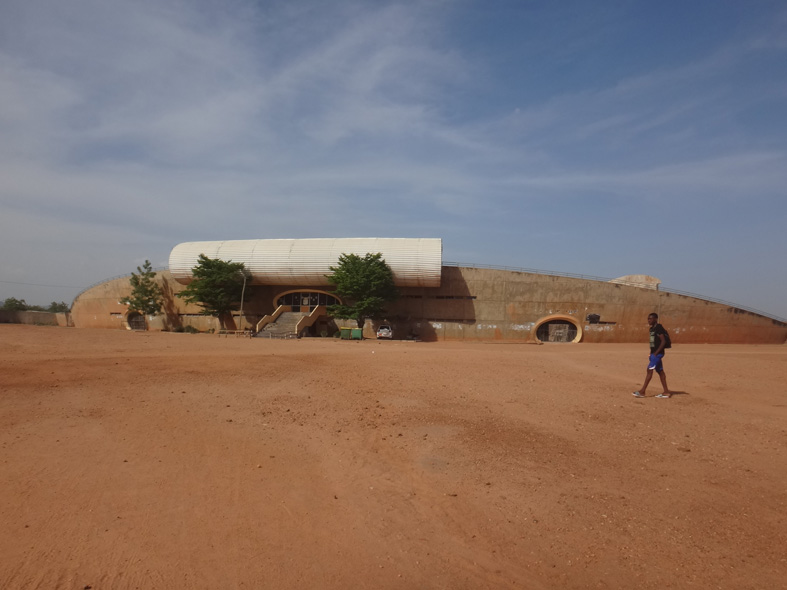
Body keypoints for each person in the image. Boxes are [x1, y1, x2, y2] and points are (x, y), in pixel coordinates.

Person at [632, 313, 671, 398]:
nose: (649, 320)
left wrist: (656, 353)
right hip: (654, 354)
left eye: (650, 319)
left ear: (655, 319)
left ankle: (642, 391)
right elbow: (653, 343)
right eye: (648, 319)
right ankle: (666, 392)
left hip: (658, 354)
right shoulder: (652, 329)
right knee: (660, 371)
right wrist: (651, 352)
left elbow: (663, 341)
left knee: (649, 370)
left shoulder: (659, 328)